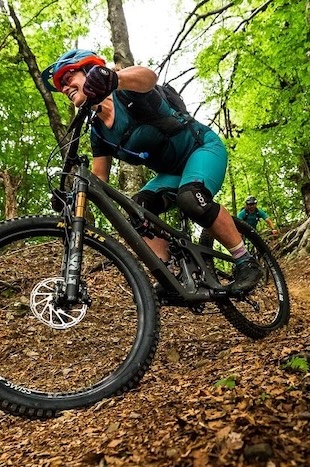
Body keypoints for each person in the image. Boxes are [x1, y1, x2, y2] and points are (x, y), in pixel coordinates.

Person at [41, 49, 262, 292]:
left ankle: (244, 260)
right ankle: (173, 277)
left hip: (201, 149)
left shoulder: (125, 91)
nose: (64, 87)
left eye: (68, 77)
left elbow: (148, 77)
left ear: (89, 69)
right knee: (138, 212)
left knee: (191, 198)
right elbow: (98, 180)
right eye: (60, 86)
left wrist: (114, 79)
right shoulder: (98, 133)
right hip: (171, 173)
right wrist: (71, 196)